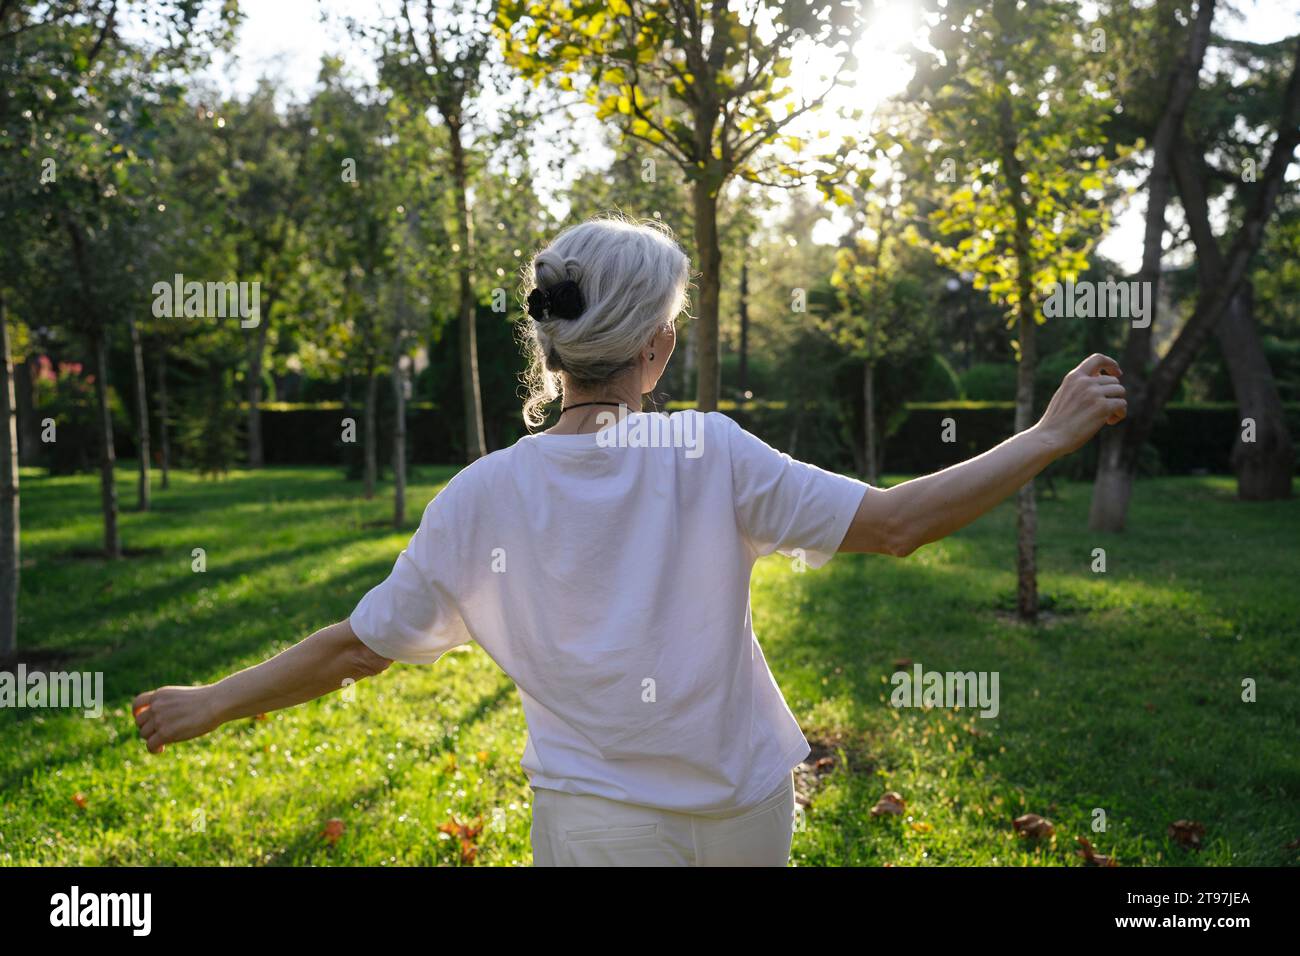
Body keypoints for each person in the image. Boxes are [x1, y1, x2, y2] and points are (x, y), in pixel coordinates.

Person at [133, 216, 1126, 866]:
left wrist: (211, 700)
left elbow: (357, 646)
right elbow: (899, 520)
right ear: (654, 346)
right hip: (744, 805)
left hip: (593, 824)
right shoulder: (712, 451)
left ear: (551, 347)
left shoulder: (479, 496)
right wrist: (1045, 436)